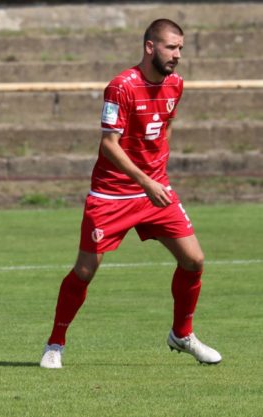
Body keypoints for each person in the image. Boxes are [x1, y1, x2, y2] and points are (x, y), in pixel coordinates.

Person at [39, 19, 222, 369]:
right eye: (171, 47)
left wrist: (158, 176)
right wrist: (146, 181)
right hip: (112, 194)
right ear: (150, 47)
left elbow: (166, 125)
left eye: (181, 48)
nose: (177, 55)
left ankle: (182, 335)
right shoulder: (120, 87)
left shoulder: (176, 84)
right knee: (85, 270)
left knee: (194, 260)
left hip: (155, 189)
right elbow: (109, 145)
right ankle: (55, 343)